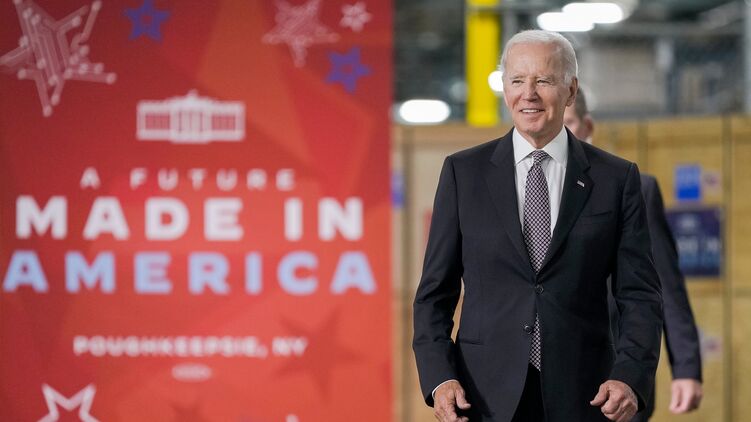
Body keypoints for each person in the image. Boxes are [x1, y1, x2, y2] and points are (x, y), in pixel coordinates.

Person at [412, 30, 663, 422]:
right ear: (505, 89)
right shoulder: (463, 173)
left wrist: (630, 376)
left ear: (571, 90)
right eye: (517, 80)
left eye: (543, 80)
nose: (528, 94)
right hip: (483, 397)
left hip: (586, 395)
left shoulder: (615, 179)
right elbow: (433, 294)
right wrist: (439, 377)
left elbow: (640, 295)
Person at [563, 89, 703, 421]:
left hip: (618, 368)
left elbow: (665, 283)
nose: (559, 134)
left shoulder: (635, 187)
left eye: (567, 123)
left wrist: (686, 367)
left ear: (587, 127)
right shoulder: (526, 190)